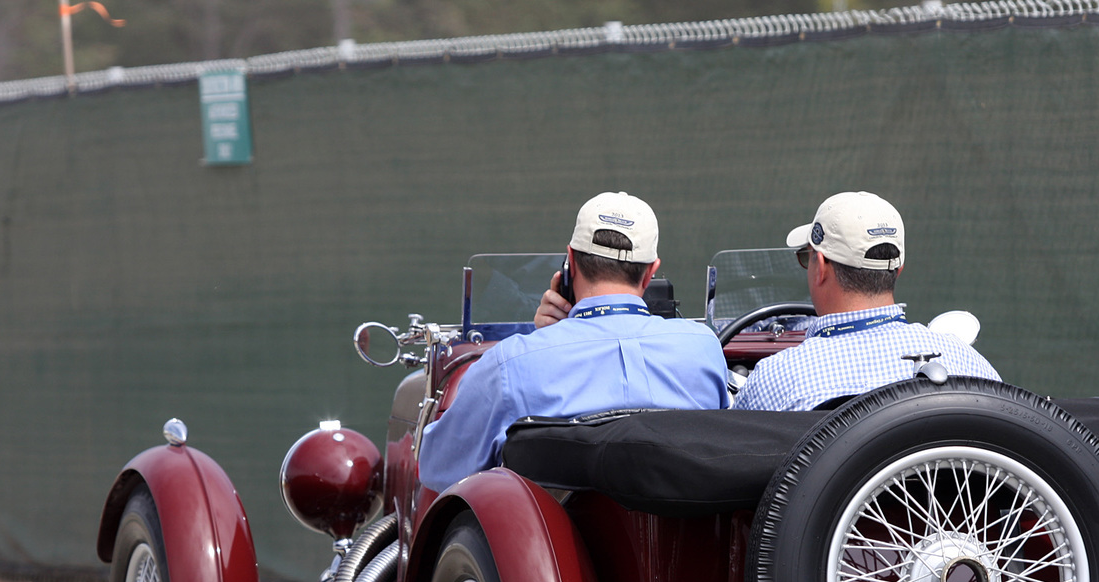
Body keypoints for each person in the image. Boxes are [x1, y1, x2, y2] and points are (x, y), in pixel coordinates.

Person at [419, 192, 728, 492]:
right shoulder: (704, 349)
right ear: (650, 273)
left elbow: (437, 467)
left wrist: (543, 337)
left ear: (571, 262)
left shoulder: (510, 363)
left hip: (546, 543)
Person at [732, 191, 1000, 412]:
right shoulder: (970, 366)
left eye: (807, 257)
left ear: (821, 267)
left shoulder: (777, 378)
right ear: (898, 268)